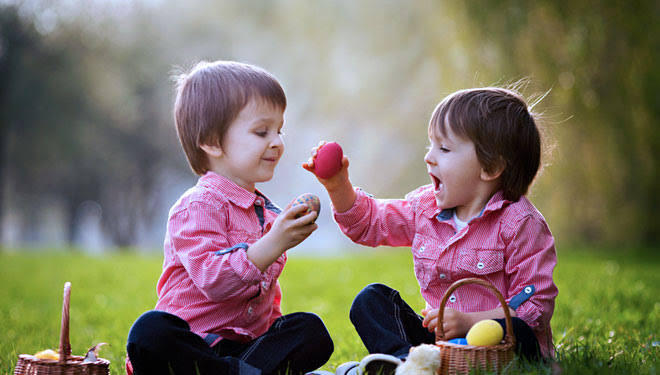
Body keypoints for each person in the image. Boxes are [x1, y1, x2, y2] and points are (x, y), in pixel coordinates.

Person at [304, 87, 558, 375]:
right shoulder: (425, 207)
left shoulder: (519, 223)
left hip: (499, 346)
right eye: (431, 146)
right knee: (370, 300)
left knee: (522, 331)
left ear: (491, 167)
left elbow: (534, 306)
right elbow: (370, 222)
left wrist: (469, 321)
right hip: (441, 345)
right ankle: (405, 364)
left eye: (444, 149)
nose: (429, 157)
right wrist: (338, 186)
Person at [126, 60, 333, 375]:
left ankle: (237, 370)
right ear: (211, 141)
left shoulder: (268, 215)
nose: (276, 142)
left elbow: (266, 303)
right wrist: (272, 243)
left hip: (245, 348)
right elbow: (214, 281)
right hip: (193, 344)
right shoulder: (196, 207)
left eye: (279, 130)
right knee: (150, 333)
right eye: (261, 131)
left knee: (310, 330)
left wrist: (275, 334)